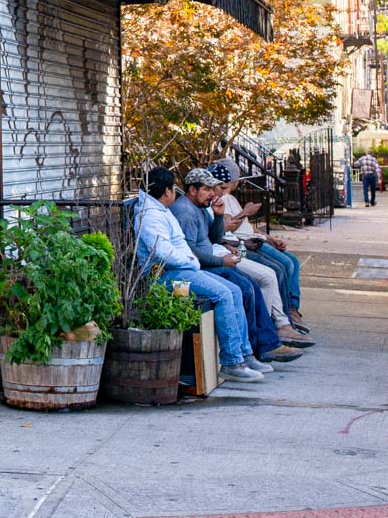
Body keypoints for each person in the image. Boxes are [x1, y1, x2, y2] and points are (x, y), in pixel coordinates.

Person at [133, 167, 263, 383]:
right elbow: (163, 251)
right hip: (167, 278)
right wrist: (191, 260)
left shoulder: (162, 210)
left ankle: (244, 354)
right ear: (166, 191)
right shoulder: (151, 216)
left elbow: (208, 238)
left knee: (233, 290)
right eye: (173, 189)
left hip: (181, 271)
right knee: (222, 294)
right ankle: (231, 362)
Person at [169, 167, 299, 363]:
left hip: (222, 255)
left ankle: (266, 344)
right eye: (207, 189)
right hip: (201, 267)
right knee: (245, 288)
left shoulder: (201, 207)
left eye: (212, 188)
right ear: (192, 190)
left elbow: (214, 238)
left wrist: (218, 216)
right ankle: (255, 349)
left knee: (259, 280)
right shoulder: (186, 212)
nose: (212, 193)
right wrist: (222, 261)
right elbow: (191, 252)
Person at [209, 159, 312, 339]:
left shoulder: (222, 200)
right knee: (277, 270)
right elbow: (225, 229)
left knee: (287, 264)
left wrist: (270, 238)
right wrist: (246, 212)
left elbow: (229, 231)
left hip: (241, 244)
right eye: (218, 187)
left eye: (222, 187)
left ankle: (284, 317)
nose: (220, 192)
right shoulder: (218, 202)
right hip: (239, 245)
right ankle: (280, 320)